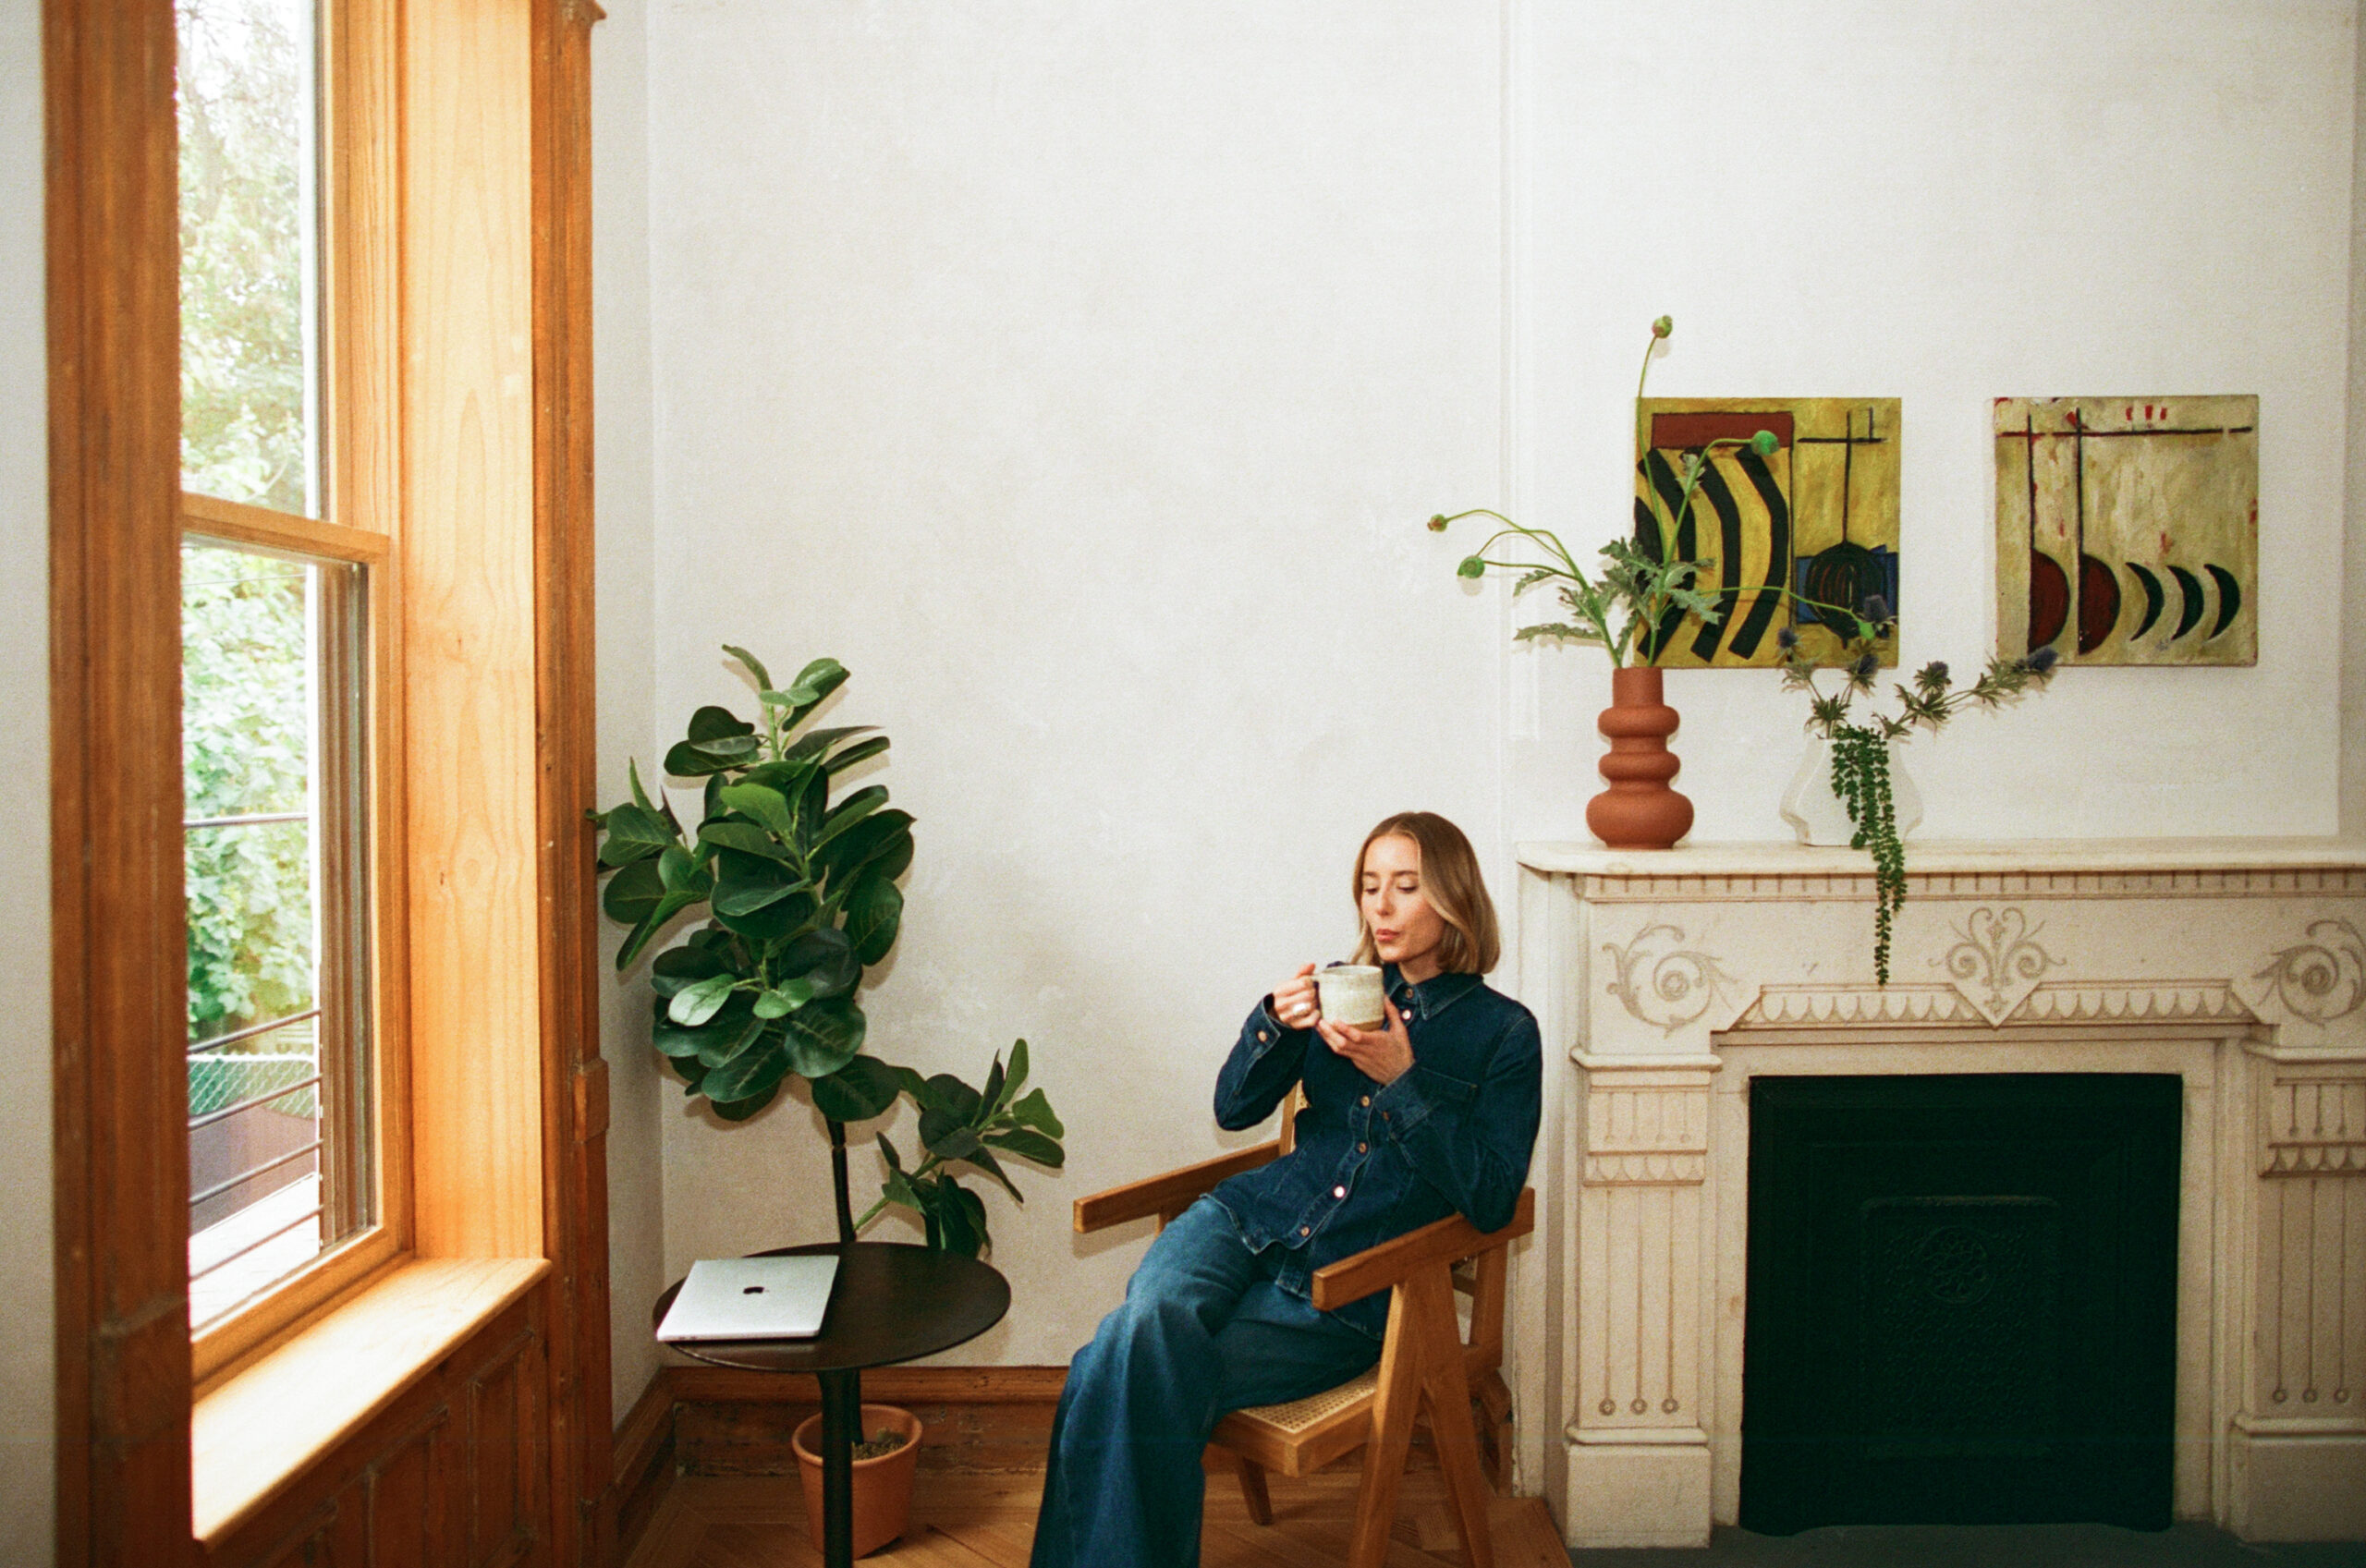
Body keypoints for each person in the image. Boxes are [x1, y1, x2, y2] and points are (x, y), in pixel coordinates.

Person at [1030, 811, 1543, 1568]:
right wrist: (1272, 1021)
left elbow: (1493, 1197)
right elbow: (1232, 1109)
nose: (1383, 907)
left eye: (1406, 887)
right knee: (1149, 1327)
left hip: (1339, 1291)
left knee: (1115, 1360)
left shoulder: (1505, 1034)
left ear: (1455, 897)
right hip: (1241, 1218)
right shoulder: (1343, 989)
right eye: (1370, 887)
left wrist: (1403, 1084)